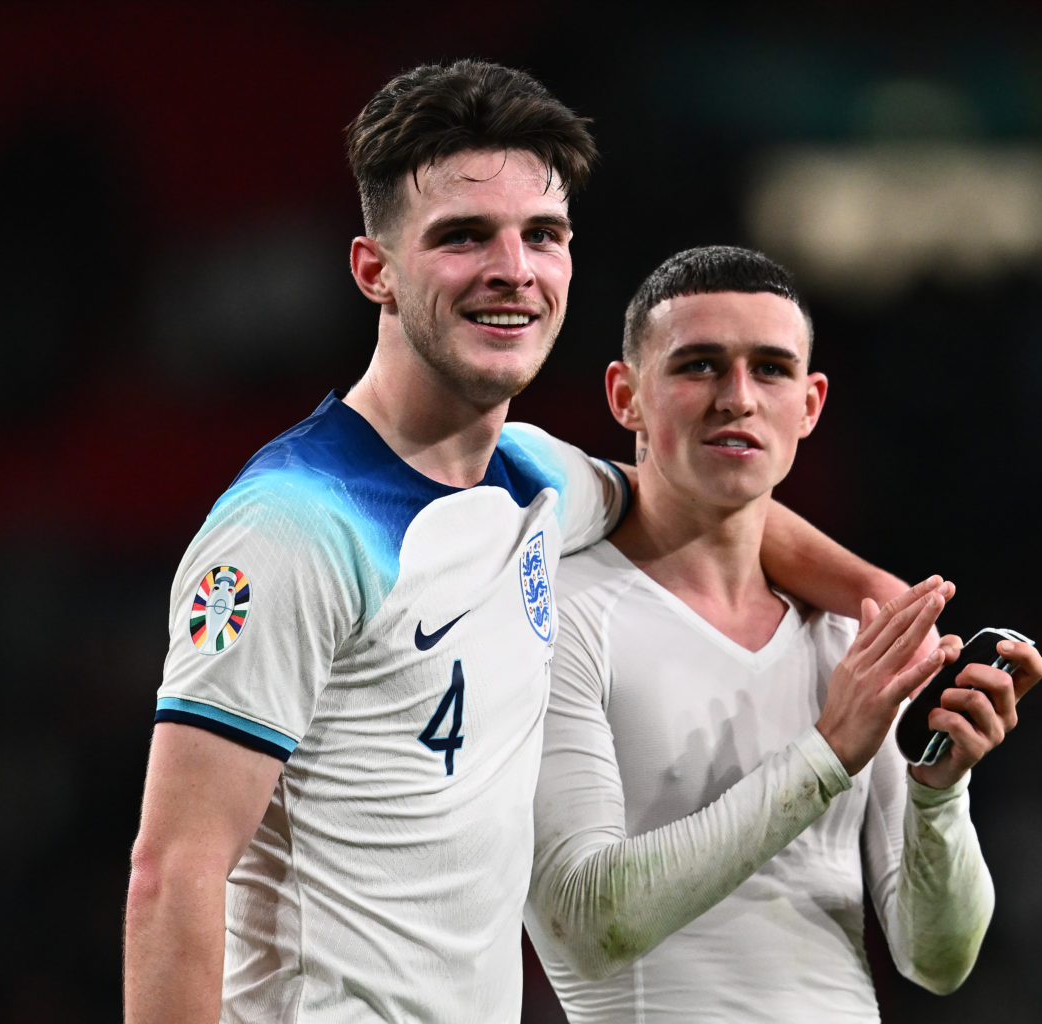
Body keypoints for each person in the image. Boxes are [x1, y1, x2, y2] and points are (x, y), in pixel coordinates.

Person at [123, 65, 907, 1024]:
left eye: (543, 235)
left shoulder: (534, 478)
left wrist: (893, 608)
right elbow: (175, 872)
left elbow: (698, 500)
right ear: (376, 269)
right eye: (462, 237)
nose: (514, 269)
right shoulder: (296, 527)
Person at [525, 246, 1042, 1022]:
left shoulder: (852, 640)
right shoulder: (557, 613)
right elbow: (589, 925)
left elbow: (937, 960)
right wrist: (830, 751)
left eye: (769, 369)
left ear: (809, 405)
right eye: (699, 365)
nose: (737, 397)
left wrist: (941, 792)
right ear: (625, 395)